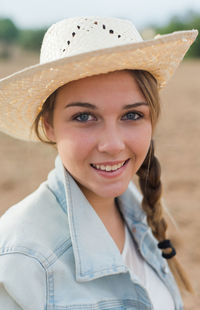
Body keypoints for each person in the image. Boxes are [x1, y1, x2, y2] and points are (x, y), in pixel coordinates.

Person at [0, 16, 198, 310]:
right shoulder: (20, 260)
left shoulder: (140, 210)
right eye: (84, 117)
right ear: (48, 126)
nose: (113, 144)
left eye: (131, 115)